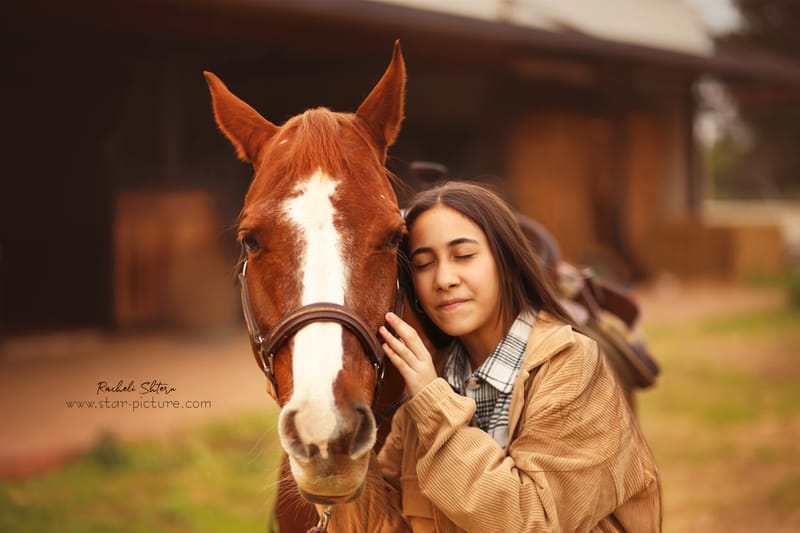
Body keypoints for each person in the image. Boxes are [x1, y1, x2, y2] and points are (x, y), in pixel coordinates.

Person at [377, 182, 661, 532]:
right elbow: (386, 518)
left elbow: (532, 521)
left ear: (508, 264)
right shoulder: (429, 379)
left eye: (463, 256)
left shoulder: (571, 364)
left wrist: (433, 405)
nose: (444, 279)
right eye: (423, 264)